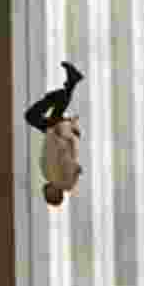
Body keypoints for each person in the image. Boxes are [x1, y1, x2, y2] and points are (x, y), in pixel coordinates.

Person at [25, 62, 85, 207]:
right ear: (53, 194)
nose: (44, 192)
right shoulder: (60, 180)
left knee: (44, 113)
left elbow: (74, 165)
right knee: (32, 116)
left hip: (55, 134)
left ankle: (70, 84)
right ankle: (65, 89)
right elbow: (70, 160)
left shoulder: (53, 177)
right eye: (47, 195)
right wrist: (64, 135)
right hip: (59, 134)